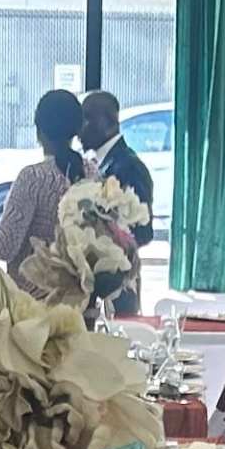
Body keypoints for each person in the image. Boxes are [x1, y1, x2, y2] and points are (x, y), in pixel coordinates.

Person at [0, 86, 84, 289]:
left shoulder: (33, 178)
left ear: (39, 131)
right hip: (78, 295)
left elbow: (3, 248)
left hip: (33, 299)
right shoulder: (92, 174)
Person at [75, 90, 152, 314]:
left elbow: (143, 231)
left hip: (119, 288)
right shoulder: (97, 163)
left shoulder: (129, 166)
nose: (79, 131)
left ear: (107, 121)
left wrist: (105, 243)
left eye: (86, 119)